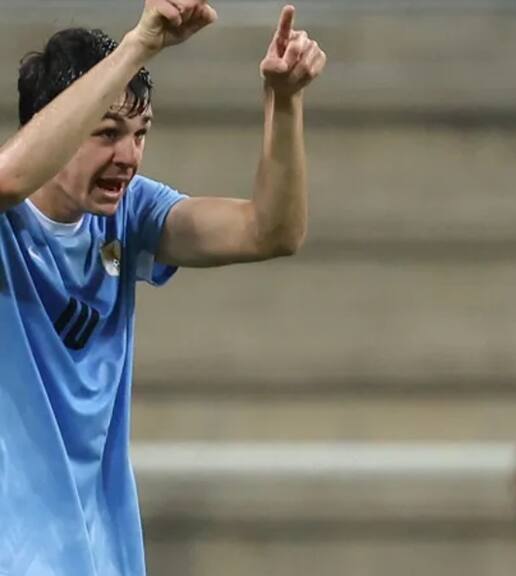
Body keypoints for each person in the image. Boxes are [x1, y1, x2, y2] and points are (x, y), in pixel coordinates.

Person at [0, 1, 326, 574]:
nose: (127, 156)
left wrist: (284, 101)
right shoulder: (6, 222)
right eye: (106, 132)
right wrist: (140, 44)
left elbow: (271, 230)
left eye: (140, 133)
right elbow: (11, 178)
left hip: (103, 557)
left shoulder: (130, 214)